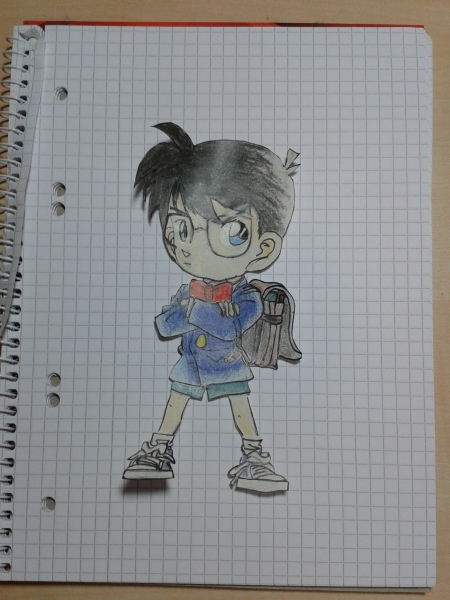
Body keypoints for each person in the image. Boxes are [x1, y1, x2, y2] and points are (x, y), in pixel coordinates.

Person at [122, 122, 300, 493]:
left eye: (228, 232)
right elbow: (165, 325)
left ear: (264, 248)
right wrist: (186, 310)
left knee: (240, 406)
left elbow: (229, 329)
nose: (190, 246)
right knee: (175, 403)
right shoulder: (188, 289)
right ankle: (159, 449)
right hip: (190, 363)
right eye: (181, 229)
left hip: (227, 362)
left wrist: (193, 311)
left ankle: (255, 458)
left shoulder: (247, 296)